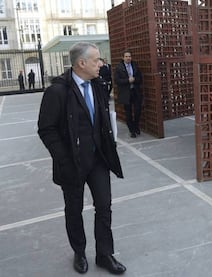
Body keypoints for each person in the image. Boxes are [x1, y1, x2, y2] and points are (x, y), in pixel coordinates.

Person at [37, 42, 126, 275]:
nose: (101, 63)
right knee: (74, 210)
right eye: (97, 60)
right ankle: (79, 252)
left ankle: (105, 254)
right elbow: (46, 129)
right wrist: (63, 159)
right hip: (72, 163)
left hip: (98, 160)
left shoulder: (98, 86)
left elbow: (103, 119)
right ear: (81, 63)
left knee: (104, 207)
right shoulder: (57, 92)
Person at [114, 50, 143, 138]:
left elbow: (140, 78)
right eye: (126, 56)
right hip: (125, 93)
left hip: (135, 91)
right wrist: (127, 81)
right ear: (123, 58)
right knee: (128, 112)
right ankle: (132, 130)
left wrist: (134, 79)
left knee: (138, 110)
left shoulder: (134, 65)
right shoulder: (119, 67)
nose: (128, 58)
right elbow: (117, 80)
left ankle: (136, 125)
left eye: (129, 56)